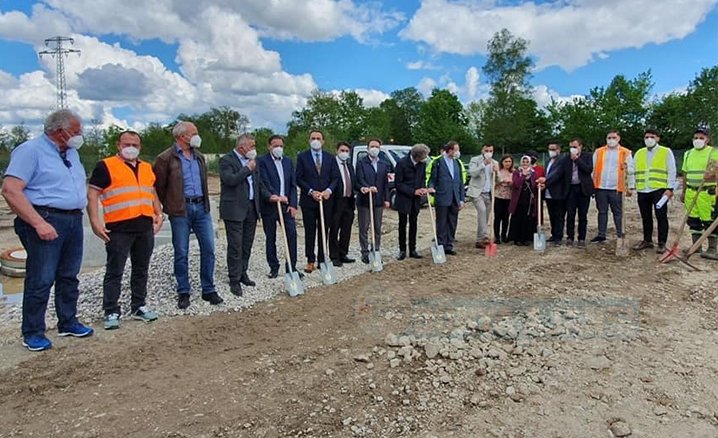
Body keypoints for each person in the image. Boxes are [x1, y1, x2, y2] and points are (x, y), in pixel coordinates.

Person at [1, 109, 94, 351]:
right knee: (41, 278)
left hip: (73, 220)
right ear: (59, 131)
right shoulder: (30, 151)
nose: (80, 135)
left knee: (68, 275)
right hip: (45, 218)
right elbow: (11, 189)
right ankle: (32, 331)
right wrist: (38, 223)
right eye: (75, 131)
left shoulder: (71, 153)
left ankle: (68, 321)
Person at [87, 130, 163, 330]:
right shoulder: (106, 166)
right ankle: (111, 309)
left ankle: (139, 305)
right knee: (115, 270)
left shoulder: (146, 167)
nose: (131, 148)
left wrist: (158, 212)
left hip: (144, 227)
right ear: (118, 146)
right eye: (127, 144)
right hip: (118, 228)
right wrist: (95, 221)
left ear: (140, 147)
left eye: (135, 145)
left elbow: (151, 191)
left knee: (141, 269)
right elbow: (92, 193)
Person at [154, 121, 223, 309]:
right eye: (194, 133)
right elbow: (158, 186)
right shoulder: (165, 158)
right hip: (180, 211)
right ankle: (183, 290)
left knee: (208, 249)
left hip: (201, 208)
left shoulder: (198, 157)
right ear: (182, 136)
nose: (197, 136)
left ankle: (208, 288)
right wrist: (169, 206)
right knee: (181, 252)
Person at [219, 134, 273, 297]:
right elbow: (230, 180)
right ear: (241, 147)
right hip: (234, 208)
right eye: (252, 146)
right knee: (235, 245)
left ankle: (243, 272)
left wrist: (269, 196)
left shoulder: (253, 163)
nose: (254, 149)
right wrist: (247, 169)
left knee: (247, 243)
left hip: (251, 207)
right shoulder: (227, 161)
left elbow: (258, 184)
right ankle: (234, 279)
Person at [257, 135, 302, 278]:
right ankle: (274, 267)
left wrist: (293, 204)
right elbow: (263, 181)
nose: (279, 148)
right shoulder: (262, 161)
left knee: (292, 235)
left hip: (286, 206)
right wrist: (273, 195)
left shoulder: (288, 161)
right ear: (269, 146)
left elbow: (293, 185)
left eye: (281, 146)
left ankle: (291, 267)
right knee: (271, 237)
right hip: (270, 205)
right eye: (275, 145)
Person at [295, 130, 340, 273]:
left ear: (323, 141)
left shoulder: (330, 158)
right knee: (310, 231)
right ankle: (310, 259)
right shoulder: (302, 157)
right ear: (309, 141)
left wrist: (328, 191)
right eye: (313, 138)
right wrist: (310, 191)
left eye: (318, 138)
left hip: (326, 201)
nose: (316, 140)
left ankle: (322, 258)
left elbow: (335, 178)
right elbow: (299, 178)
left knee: (323, 230)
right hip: (309, 201)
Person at [632, 129, 676, 253]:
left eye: (652, 136)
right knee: (645, 217)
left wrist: (670, 188)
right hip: (643, 189)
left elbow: (672, 170)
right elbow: (632, 169)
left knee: (661, 216)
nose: (649, 139)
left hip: (659, 189)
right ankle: (647, 240)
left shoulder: (665, 151)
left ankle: (662, 243)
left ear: (657, 138)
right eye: (646, 137)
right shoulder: (640, 153)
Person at [591, 130, 635, 243]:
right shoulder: (599, 152)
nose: (611, 140)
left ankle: (620, 234)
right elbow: (593, 169)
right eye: (609, 138)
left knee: (618, 212)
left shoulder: (626, 152)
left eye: (613, 137)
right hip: (600, 187)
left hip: (616, 188)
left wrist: (630, 186)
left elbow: (631, 171)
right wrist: (592, 186)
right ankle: (601, 234)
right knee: (602, 211)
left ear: (619, 138)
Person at [681, 127, 717, 258]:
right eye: (696, 137)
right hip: (691, 191)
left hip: (707, 193)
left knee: (709, 220)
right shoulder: (688, 154)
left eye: (701, 138)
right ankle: (696, 246)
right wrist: (684, 192)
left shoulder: (714, 152)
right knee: (693, 220)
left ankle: (712, 249)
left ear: (707, 140)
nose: (698, 140)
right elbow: (685, 173)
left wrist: (713, 176)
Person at [356, 138, 391, 264]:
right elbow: (359, 179)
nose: (374, 149)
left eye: (377, 146)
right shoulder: (361, 163)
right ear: (368, 148)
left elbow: (385, 183)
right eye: (372, 146)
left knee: (377, 227)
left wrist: (387, 199)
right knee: (364, 227)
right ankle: (364, 252)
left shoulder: (383, 164)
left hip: (378, 200)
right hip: (365, 200)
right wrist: (366, 187)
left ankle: (376, 250)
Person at [428, 141, 465, 255]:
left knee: (452, 222)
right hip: (442, 196)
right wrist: (431, 188)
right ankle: (441, 244)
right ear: (449, 150)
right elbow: (432, 178)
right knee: (442, 222)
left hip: (455, 197)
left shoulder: (457, 163)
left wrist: (462, 199)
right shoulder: (438, 162)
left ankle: (449, 244)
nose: (457, 152)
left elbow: (460, 182)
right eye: (456, 149)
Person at [394, 143, 430, 260]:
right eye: (423, 156)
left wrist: (423, 188)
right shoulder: (402, 163)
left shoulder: (422, 165)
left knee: (414, 224)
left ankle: (413, 249)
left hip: (416, 200)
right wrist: (413, 191)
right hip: (404, 198)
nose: (425, 159)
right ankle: (402, 250)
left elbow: (422, 179)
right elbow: (398, 184)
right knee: (402, 224)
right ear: (417, 156)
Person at [328, 142, 356, 267]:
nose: (344, 153)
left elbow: (353, 181)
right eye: (342, 150)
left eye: (346, 151)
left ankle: (343, 253)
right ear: (337, 151)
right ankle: (334, 256)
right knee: (334, 229)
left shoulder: (349, 166)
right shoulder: (331, 165)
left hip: (348, 201)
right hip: (335, 202)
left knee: (346, 229)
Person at [537, 142, 570, 246]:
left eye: (553, 149)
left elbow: (557, 175)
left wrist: (545, 181)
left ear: (558, 150)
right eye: (549, 149)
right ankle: (553, 234)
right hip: (548, 192)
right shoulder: (548, 161)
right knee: (551, 215)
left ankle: (558, 237)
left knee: (559, 215)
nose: (551, 151)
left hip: (558, 192)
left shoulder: (562, 161)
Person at [467, 144, 499, 249]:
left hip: (488, 193)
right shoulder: (475, 160)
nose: (489, 152)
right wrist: (483, 164)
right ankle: (484, 236)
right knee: (482, 210)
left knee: (485, 216)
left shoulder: (495, 162)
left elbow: (498, 180)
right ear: (482, 150)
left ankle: (479, 239)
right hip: (477, 192)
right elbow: (472, 173)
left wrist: (497, 171)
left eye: (491, 150)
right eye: (487, 150)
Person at [564, 138, 594, 248]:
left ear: (580, 146)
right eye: (571, 147)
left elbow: (588, 169)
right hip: (571, 189)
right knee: (570, 214)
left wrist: (576, 159)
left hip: (583, 190)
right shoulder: (566, 158)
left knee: (582, 215)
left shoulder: (587, 156)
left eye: (575, 147)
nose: (572, 149)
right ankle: (570, 237)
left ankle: (581, 238)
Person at [508, 155, 538, 246]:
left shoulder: (533, 173)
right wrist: (523, 176)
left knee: (527, 219)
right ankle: (517, 238)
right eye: (523, 162)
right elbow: (516, 184)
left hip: (529, 200)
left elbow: (534, 186)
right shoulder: (517, 172)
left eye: (527, 162)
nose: (525, 164)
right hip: (519, 200)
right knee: (518, 218)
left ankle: (526, 238)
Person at [494, 155, 514, 244]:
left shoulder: (514, 172)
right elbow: (493, 183)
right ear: (502, 162)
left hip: (508, 197)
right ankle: (497, 236)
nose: (508, 163)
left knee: (506, 218)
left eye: (509, 161)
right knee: (498, 217)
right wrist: (500, 181)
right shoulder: (498, 172)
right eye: (506, 161)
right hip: (499, 197)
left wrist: (511, 183)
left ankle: (504, 235)